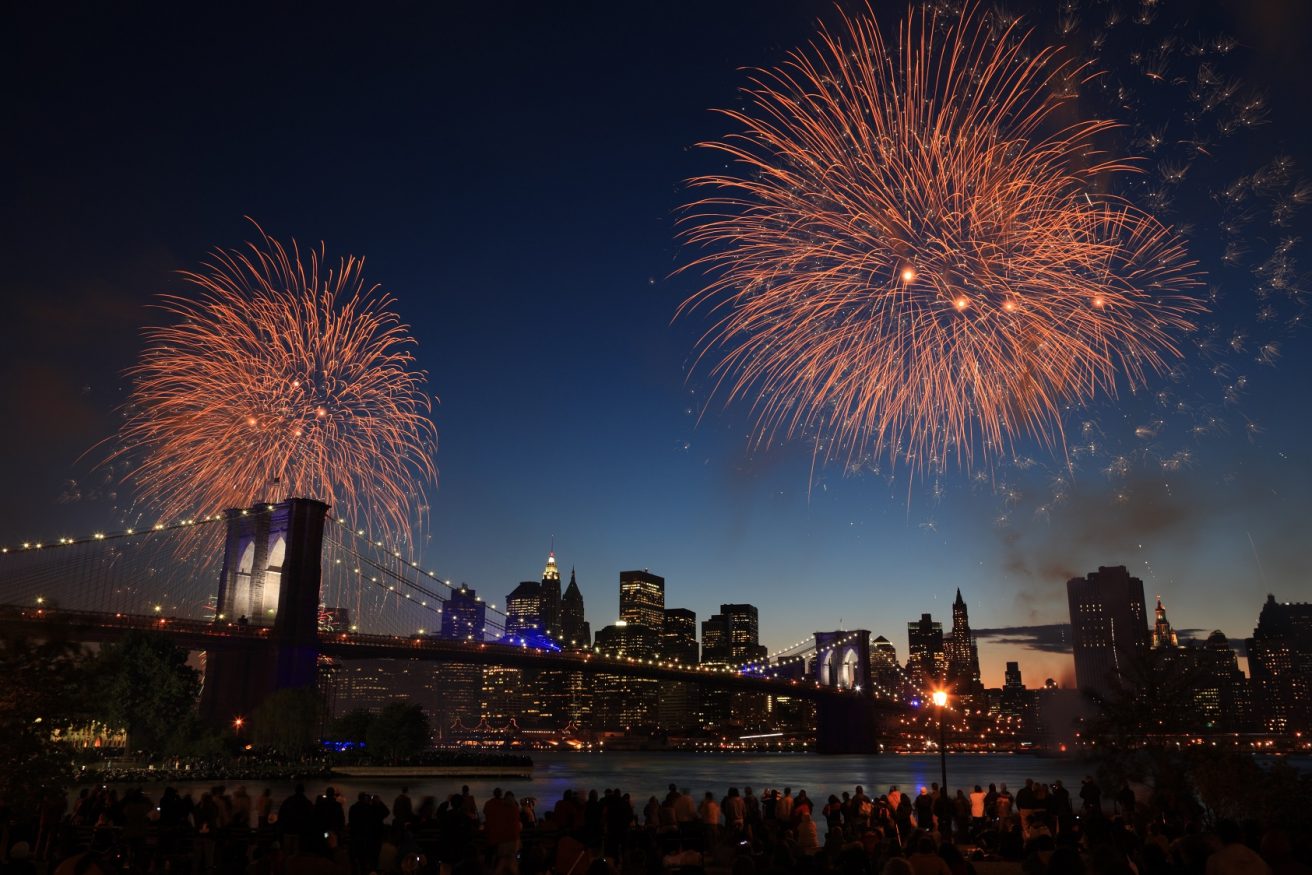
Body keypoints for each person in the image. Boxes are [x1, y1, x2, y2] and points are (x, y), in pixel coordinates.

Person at [1206, 820, 1272, 875]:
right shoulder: (1259, 860)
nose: (1209, 843)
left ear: (1219, 837)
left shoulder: (1215, 861)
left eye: (1212, 838)